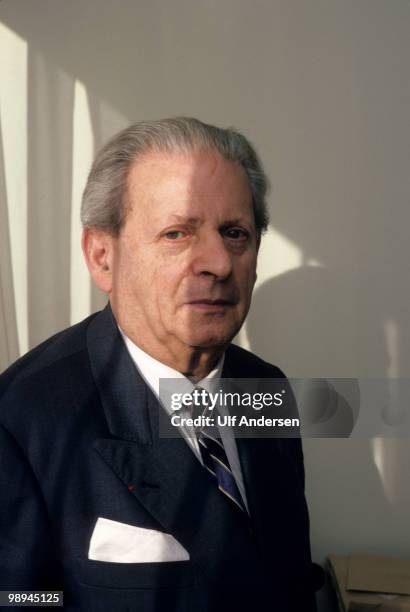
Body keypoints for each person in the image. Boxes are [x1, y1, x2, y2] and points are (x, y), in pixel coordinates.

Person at [0, 118, 318, 610]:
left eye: (235, 232)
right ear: (102, 256)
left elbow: (285, 573)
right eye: (177, 233)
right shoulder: (20, 420)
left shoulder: (266, 387)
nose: (218, 261)